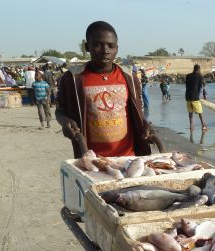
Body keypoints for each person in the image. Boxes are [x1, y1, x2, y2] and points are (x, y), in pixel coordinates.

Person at [56, 20, 158, 159]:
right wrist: (64, 122)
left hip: (129, 157)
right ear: (87, 47)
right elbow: (60, 110)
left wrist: (145, 125)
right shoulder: (72, 78)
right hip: (93, 160)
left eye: (111, 46)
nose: (105, 51)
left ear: (117, 48)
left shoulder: (129, 77)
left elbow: (138, 112)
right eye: (97, 45)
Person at [185, 64, 208, 131]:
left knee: (190, 112)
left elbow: (186, 85)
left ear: (194, 69)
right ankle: (203, 125)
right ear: (198, 69)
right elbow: (202, 86)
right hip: (195, 97)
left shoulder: (188, 76)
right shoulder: (200, 76)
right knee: (200, 112)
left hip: (188, 96)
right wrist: (204, 94)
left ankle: (191, 126)